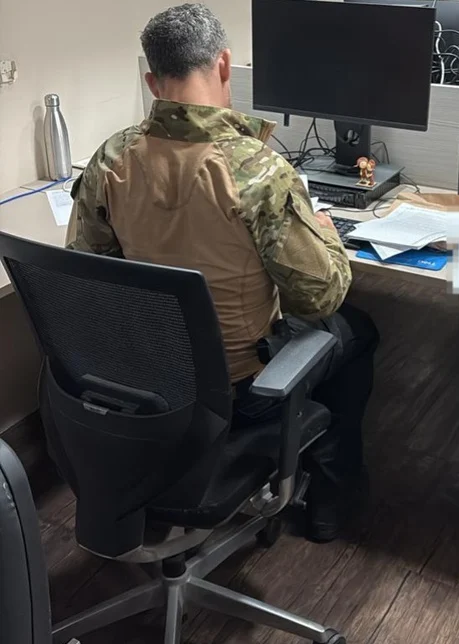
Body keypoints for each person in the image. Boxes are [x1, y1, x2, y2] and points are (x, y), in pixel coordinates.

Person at [65, 3, 379, 541]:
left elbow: (86, 269)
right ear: (226, 64)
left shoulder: (111, 158)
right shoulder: (257, 170)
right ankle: (331, 494)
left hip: (150, 385)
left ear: (151, 81)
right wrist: (325, 231)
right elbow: (319, 296)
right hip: (242, 393)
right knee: (359, 331)